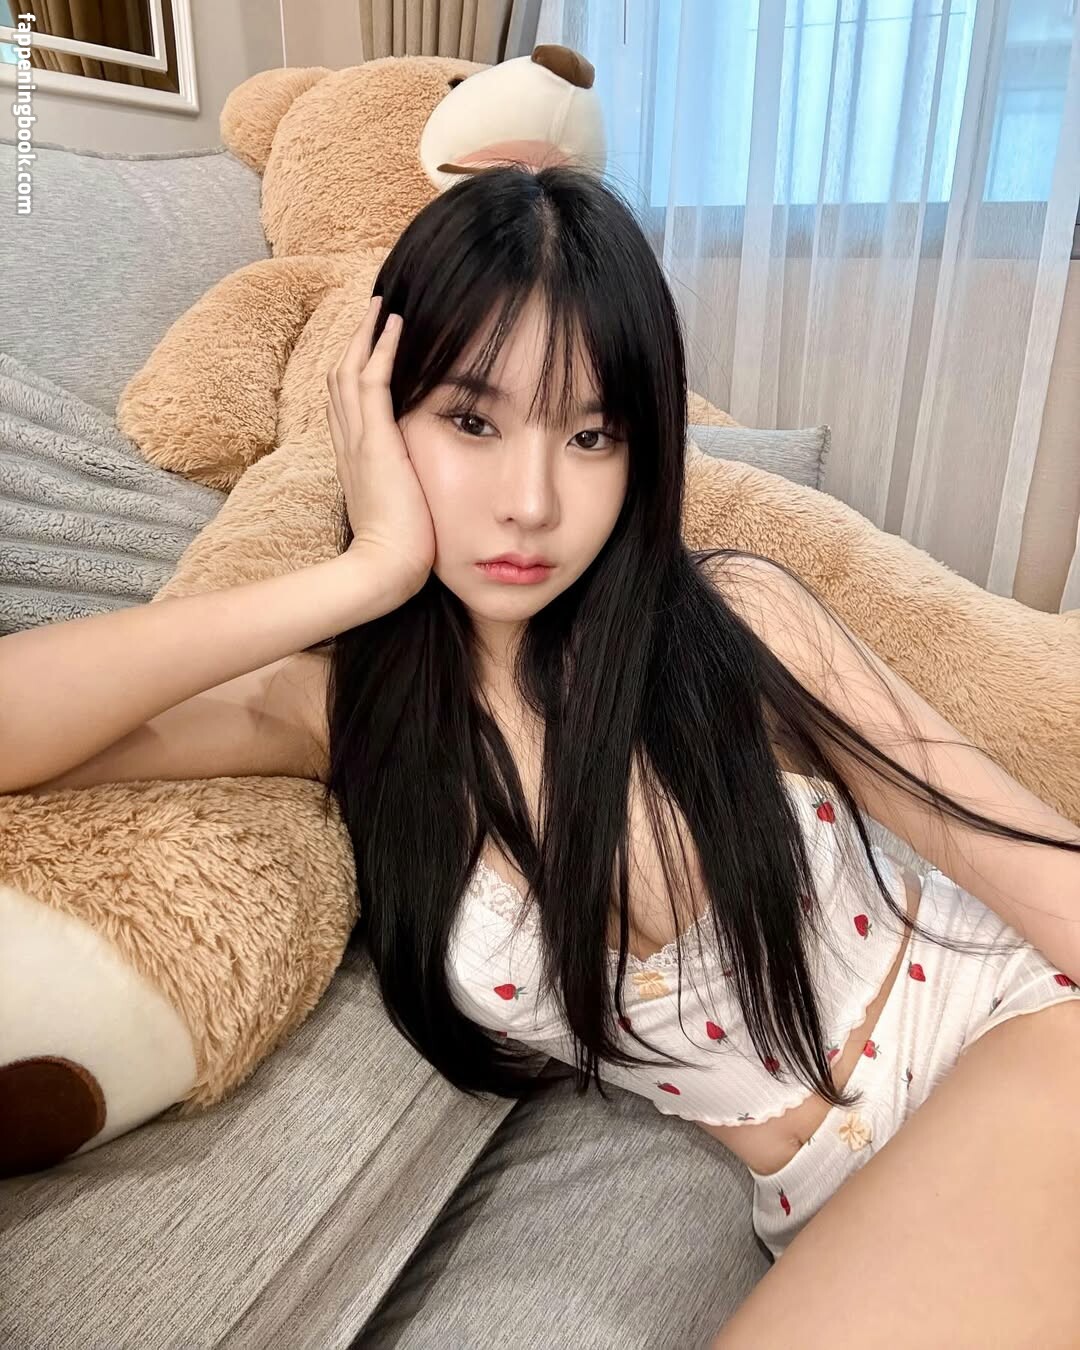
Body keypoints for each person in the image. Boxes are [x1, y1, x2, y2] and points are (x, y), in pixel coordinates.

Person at [3, 164, 1079, 1344]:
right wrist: (363, 573)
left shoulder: (738, 620)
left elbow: (1007, 843)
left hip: (1012, 1035)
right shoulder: (337, 713)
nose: (530, 501)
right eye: (471, 421)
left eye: (590, 434)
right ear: (379, 417)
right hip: (825, 1201)